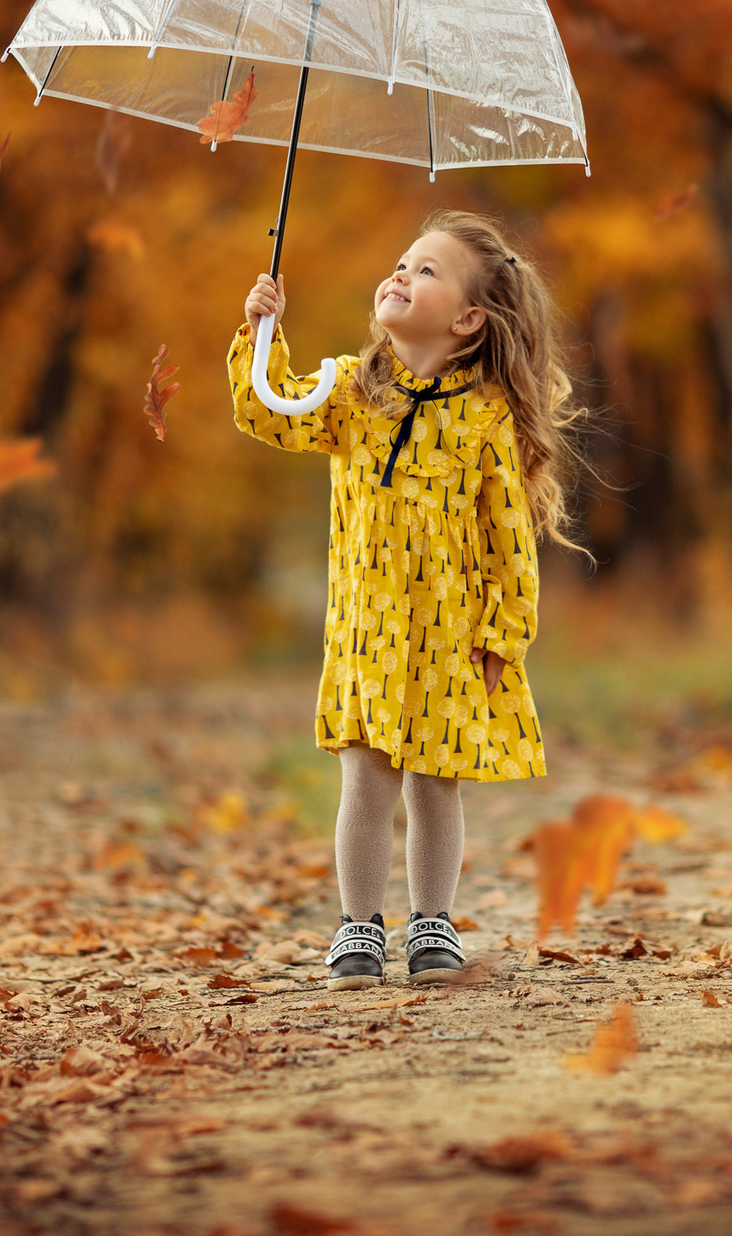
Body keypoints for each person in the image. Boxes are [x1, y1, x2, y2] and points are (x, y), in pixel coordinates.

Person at [230, 210, 583, 989]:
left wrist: (503, 633)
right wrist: (261, 333)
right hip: (368, 633)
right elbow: (267, 410)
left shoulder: (484, 418)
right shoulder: (350, 392)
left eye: (425, 269)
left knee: (434, 784)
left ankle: (432, 921)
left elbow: (507, 538)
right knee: (366, 781)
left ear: (467, 318)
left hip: (449, 638)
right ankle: (359, 926)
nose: (400, 274)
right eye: (399, 262)